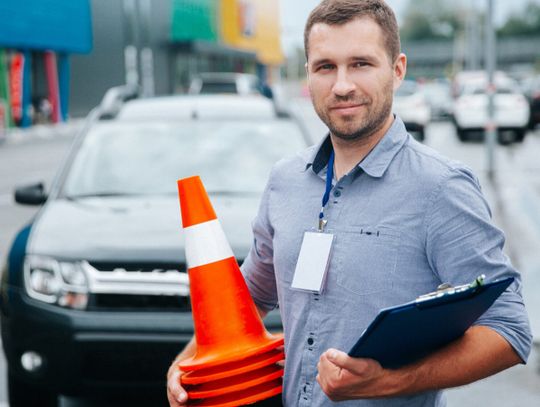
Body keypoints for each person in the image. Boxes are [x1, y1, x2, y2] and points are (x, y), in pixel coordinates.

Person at [167, 1, 532, 405]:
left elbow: (509, 330)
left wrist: (389, 381)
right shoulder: (285, 181)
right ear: (307, 73)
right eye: (326, 67)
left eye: (361, 64)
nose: (342, 85)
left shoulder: (440, 188)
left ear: (397, 69)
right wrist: (188, 361)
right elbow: (249, 298)